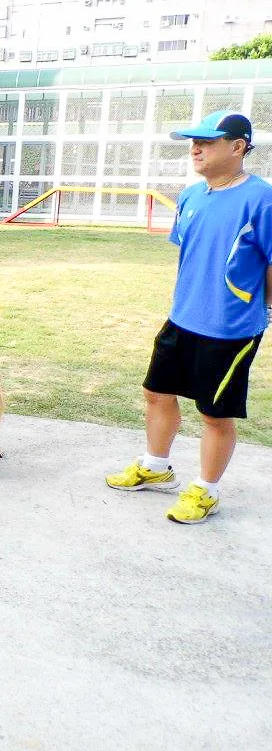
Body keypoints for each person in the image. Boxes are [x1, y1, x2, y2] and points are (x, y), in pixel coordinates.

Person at [106, 111, 272, 524]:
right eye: (193, 142)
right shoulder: (191, 196)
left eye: (207, 142)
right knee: (157, 393)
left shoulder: (262, 199)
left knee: (215, 414)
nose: (195, 149)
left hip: (230, 328)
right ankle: (156, 467)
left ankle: (206, 491)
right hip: (181, 319)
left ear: (238, 147)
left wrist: (264, 307)